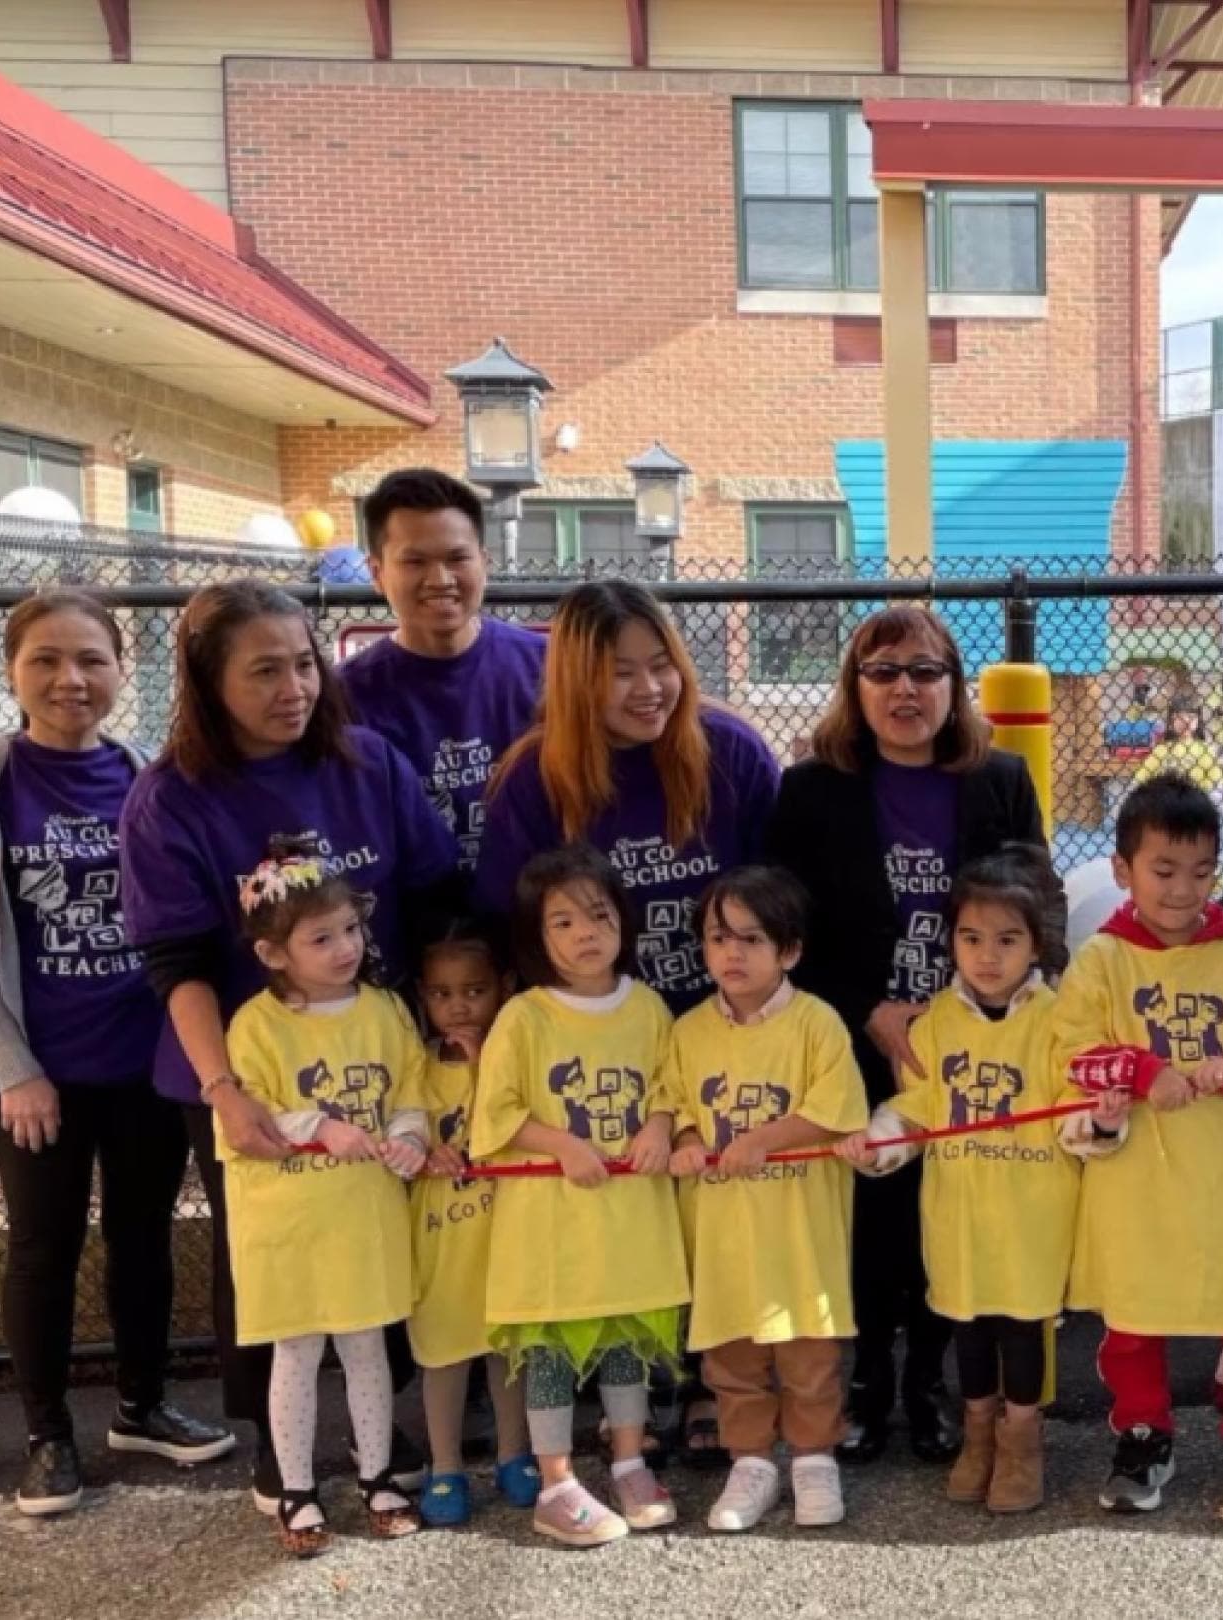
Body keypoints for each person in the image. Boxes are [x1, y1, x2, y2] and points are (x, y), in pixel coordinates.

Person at [119, 581, 460, 1505]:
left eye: (304, 663)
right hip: (249, 1072)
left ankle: (374, 1437)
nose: (294, 687)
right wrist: (226, 1088)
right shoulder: (171, 797)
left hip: (374, 1052)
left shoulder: (367, 762)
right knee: (271, 1262)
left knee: (377, 1242)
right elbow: (175, 961)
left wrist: (447, 1027)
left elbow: (435, 894)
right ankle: (283, 1450)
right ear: (208, 681)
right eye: (264, 670)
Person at [0, 590, 232, 1517]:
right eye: (47, 660)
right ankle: (47, 1436)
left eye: (92, 660)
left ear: (119, 670)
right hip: (35, 1074)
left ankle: (142, 1405)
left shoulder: (147, 777)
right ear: (13, 670)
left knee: (144, 1240)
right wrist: (15, 1067)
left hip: (145, 1060)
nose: (70, 679)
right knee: (42, 1247)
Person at [768, 605, 1046, 1469]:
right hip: (856, 1031)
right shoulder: (812, 789)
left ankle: (932, 1383)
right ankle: (868, 1388)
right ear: (855, 687)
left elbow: (1036, 902)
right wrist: (873, 1011)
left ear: (954, 687)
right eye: (883, 672)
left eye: (926, 672)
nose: (905, 690)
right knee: (870, 1216)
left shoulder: (996, 779)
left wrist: (972, 1002)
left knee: (949, 1216)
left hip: (968, 1037)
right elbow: (792, 926)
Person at [1058, 773, 1223, 1518]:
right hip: (1139, 1177)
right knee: (1135, 1312)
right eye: (1163, 871)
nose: (1182, 890)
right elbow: (1068, 1054)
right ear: (1122, 870)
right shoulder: (1101, 960)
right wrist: (1142, 1071)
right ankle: (1141, 1429)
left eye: (1201, 872)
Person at [841, 848, 1095, 1516]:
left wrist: (1092, 1124)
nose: (988, 956)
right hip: (960, 1211)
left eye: (1007, 940)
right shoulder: (939, 1022)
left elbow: (1074, 1099)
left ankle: (1023, 1443)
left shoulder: (1056, 1018)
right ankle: (978, 1438)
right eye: (972, 938)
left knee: (1021, 1327)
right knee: (970, 1327)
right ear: (950, 940)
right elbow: (922, 1105)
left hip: (1031, 1210)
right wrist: (885, 1138)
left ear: (1035, 944)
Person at [218, 844, 434, 1556]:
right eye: (320, 938)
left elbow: (412, 1088)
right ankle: (297, 1488)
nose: (345, 948)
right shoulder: (255, 1023)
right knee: (298, 1351)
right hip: (291, 1222)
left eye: (350, 929)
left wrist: (406, 1135)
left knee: (368, 1345)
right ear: (274, 953)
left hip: (363, 1216)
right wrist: (322, 1128)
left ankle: (377, 1477)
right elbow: (251, 1113)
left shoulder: (384, 1009)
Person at [469, 845, 687, 1549]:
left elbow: (671, 1087)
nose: (585, 933)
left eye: (598, 915)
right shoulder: (524, 1017)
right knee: (552, 1353)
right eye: (563, 922)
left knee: (625, 1342)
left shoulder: (650, 1007)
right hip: (552, 1226)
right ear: (536, 936)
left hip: (628, 1220)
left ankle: (628, 1460)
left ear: (623, 921)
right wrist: (561, 1143)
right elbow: (493, 1115)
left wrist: (659, 1122)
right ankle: (557, 1482)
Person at [661, 867, 868, 1533]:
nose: (732, 953)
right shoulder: (688, 1030)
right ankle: (750, 1463)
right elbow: (675, 1105)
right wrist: (691, 1138)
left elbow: (838, 1112)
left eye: (752, 939)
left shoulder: (817, 1023)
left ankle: (813, 1461)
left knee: (809, 1360)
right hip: (724, 1235)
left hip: (800, 1233)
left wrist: (764, 1138)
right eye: (719, 938)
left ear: (790, 951)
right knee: (733, 1361)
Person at [475, 580, 779, 1014]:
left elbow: (782, 891)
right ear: (578, 682)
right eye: (621, 674)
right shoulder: (533, 776)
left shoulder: (732, 751)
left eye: (661, 665)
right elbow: (506, 921)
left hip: (727, 1018)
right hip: (599, 1026)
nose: (649, 688)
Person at [339, 469, 547, 874]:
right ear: (377, 573)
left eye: (457, 558)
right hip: (419, 926)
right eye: (414, 561)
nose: (440, 580)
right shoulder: (343, 694)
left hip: (544, 918)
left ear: (484, 563)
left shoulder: (549, 666)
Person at [406, 923, 535, 1528]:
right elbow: (405, 1134)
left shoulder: (515, 1058)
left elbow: (505, 1125)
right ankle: (446, 1464)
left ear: (505, 988)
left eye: (475, 991)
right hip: (440, 1238)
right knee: (444, 1354)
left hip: (503, 1236)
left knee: (506, 1349)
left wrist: (487, 1062)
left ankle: (516, 1452)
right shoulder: (417, 1066)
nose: (459, 1006)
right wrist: (426, 1153)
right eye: (442, 994)